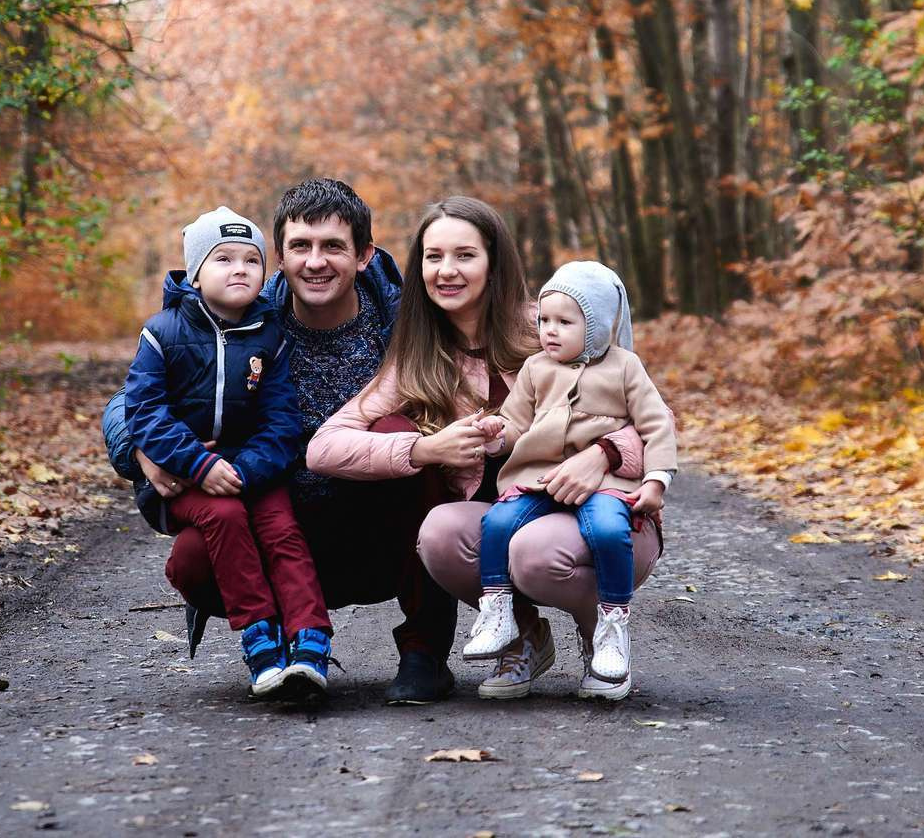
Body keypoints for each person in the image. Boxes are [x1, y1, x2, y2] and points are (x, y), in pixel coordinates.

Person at [105, 179, 458, 704]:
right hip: (278, 521)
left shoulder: (404, 323)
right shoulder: (243, 317)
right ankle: (276, 645)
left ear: (363, 255)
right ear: (279, 256)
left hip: (378, 529)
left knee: (405, 439)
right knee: (192, 557)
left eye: (333, 246)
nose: (316, 262)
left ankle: (424, 653)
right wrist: (137, 447)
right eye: (301, 247)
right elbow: (130, 399)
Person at [306, 195, 656, 700]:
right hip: (513, 513)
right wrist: (423, 450)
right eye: (433, 257)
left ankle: (599, 637)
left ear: (494, 263)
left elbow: (657, 419)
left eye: (464, 255)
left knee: (535, 553)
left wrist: (601, 454)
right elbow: (324, 447)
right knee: (440, 534)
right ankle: (524, 636)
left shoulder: (552, 325)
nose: (447, 271)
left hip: (604, 510)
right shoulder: (419, 356)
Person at [116, 206, 330, 698]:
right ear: (194, 272)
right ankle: (260, 640)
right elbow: (143, 411)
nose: (239, 269)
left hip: (250, 470)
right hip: (184, 477)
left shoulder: (269, 336)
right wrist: (198, 463)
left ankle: (310, 639)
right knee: (225, 516)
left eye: (251, 260)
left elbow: (282, 422)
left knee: (282, 531)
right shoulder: (163, 332)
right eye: (223, 259)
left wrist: (245, 468)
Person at [460, 261, 676, 700]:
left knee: (610, 530)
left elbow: (657, 426)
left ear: (596, 326)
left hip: (606, 484)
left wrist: (655, 481)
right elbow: (516, 424)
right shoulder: (537, 369)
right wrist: (495, 437)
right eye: (544, 320)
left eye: (565, 322)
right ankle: (499, 609)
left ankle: (611, 624)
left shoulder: (624, 367)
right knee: (498, 523)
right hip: (540, 480)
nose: (549, 331)